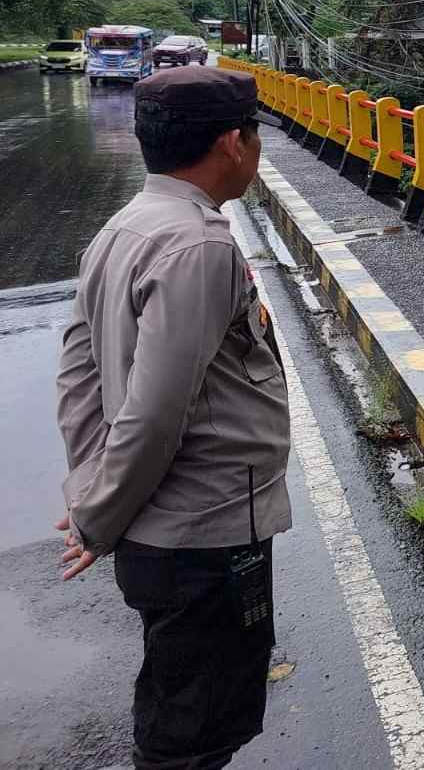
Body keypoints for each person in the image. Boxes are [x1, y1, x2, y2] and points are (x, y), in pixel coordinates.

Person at [55, 65, 291, 768]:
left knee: (180, 703)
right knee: (191, 734)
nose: (256, 149)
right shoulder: (198, 244)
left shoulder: (125, 225)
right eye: (254, 135)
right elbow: (156, 414)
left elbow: (79, 373)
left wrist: (94, 485)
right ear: (231, 143)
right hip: (204, 535)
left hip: (166, 532)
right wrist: (99, 514)